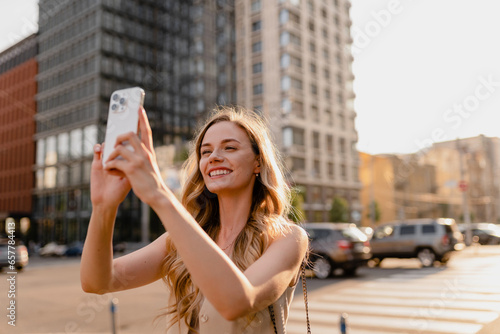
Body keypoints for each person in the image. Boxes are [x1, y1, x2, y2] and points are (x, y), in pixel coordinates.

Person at [80, 106, 309, 333]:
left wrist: (160, 195)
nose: (215, 158)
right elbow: (97, 282)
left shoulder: (288, 239)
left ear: (257, 162)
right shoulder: (181, 238)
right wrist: (103, 207)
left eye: (229, 147)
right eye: (206, 152)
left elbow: (237, 302)